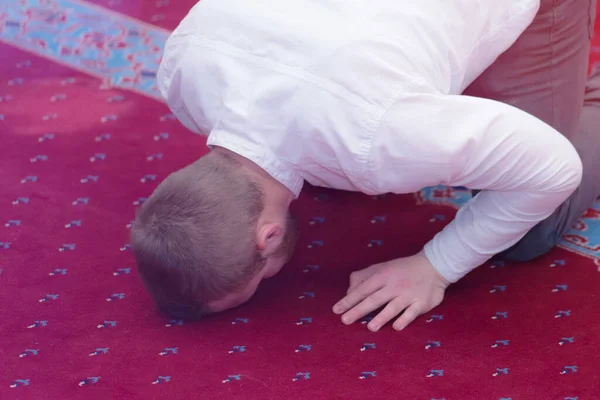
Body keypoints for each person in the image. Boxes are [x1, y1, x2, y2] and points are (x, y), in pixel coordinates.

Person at [131, 0, 599, 331]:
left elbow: (551, 168)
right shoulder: (181, 71)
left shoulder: (372, 142)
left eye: (259, 279)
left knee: (534, 226)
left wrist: (435, 266)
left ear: (268, 237)